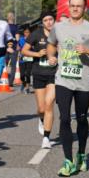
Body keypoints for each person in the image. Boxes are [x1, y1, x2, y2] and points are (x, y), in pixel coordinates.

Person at [48, 0, 89, 176]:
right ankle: (68, 161)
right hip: (63, 80)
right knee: (65, 118)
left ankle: (81, 153)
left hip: (82, 82)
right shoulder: (58, 27)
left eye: (78, 6)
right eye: (72, 6)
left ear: (85, 9)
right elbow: (51, 44)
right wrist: (51, 56)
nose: (74, 9)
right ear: (68, 7)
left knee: (81, 119)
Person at [22, 13, 57, 149]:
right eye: (45, 20)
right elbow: (24, 50)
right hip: (39, 73)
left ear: (54, 21)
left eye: (51, 20)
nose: (48, 22)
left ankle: (46, 138)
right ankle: (42, 120)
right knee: (41, 108)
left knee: (49, 105)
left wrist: (58, 58)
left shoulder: (60, 35)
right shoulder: (36, 34)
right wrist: (37, 54)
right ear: (42, 22)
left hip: (54, 74)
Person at [19, 26, 34, 94]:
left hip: (29, 58)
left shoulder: (32, 39)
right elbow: (20, 47)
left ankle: (27, 87)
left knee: (28, 73)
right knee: (22, 75)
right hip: (22, 59)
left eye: (28, 32)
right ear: (23, 33)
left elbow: (34, 48)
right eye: (25, 32)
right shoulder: (21, 39)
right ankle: (23, 84)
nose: (26, 33)